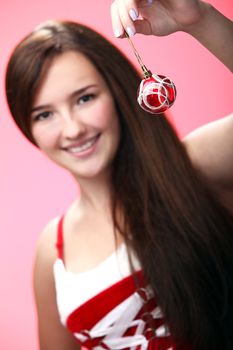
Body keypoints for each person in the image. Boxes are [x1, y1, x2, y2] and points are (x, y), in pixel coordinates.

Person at [5, 0, 233, 349]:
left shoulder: (195, 166)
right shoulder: (52, 251)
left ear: (118, 92)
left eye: (85, 98)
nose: (73, 129)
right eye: (44, 114)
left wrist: (199, 19)